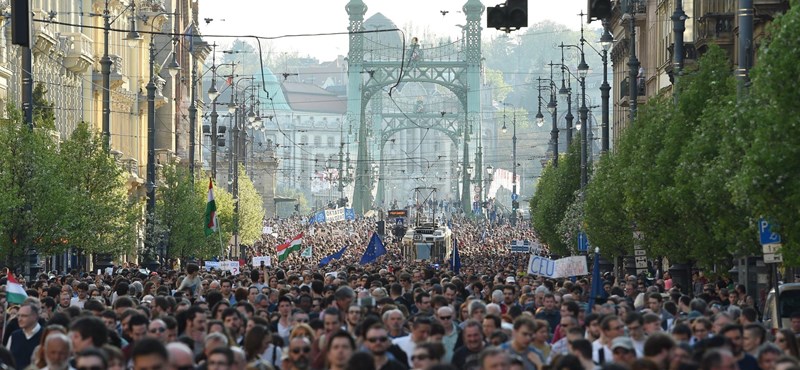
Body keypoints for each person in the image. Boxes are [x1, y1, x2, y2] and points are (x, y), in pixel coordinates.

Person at [9, 300, 44, 369]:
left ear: (35, 316)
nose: (19, 319)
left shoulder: (45, 335)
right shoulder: (14, 336)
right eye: (18, 316)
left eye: (24, 316)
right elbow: (8, 360)